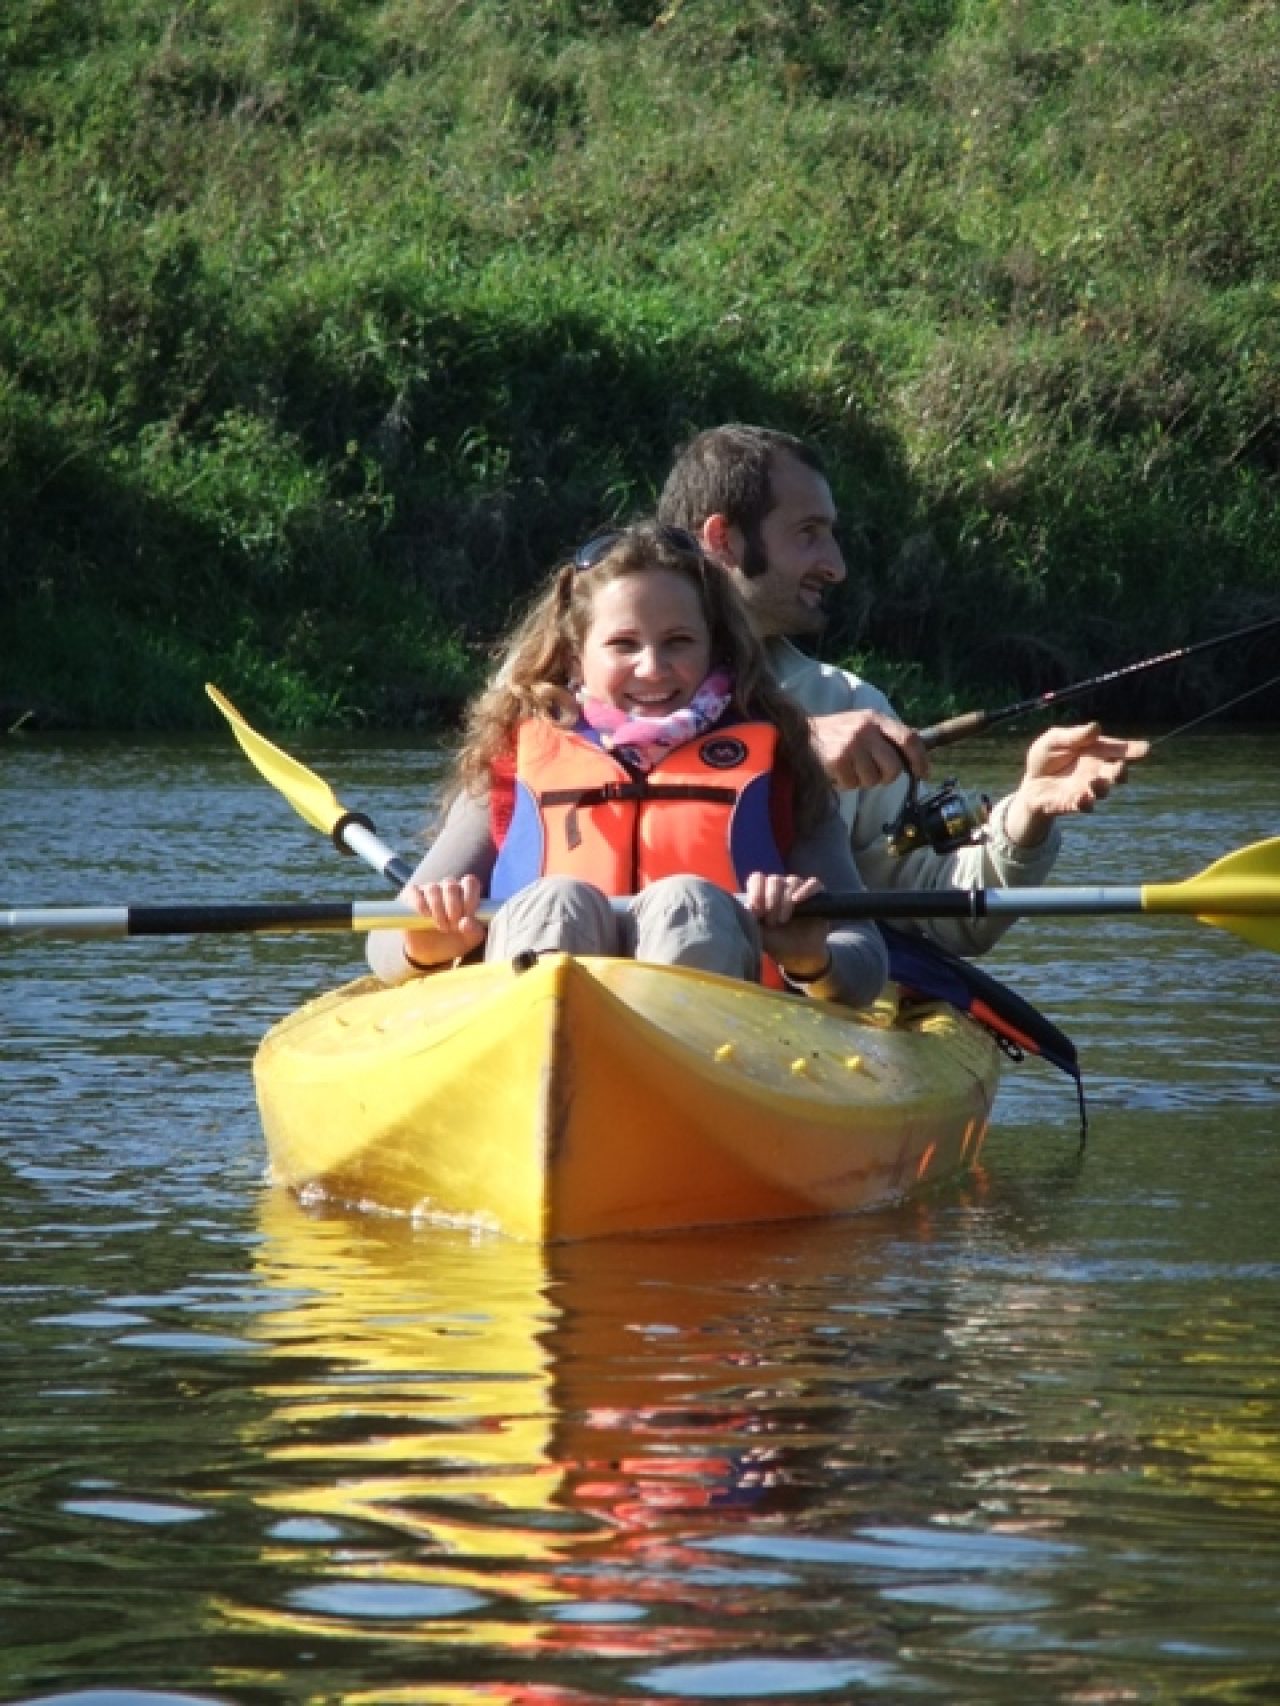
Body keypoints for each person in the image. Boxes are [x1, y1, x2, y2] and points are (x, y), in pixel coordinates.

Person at [656, 423, 1150, 955]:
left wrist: (1026, 816)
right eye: (808, 533)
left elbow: (936, 909)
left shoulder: (851, 706)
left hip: (785, 997)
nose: (836, 567)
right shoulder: (595, 690)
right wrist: (792, 742)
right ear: (722, 539)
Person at [368, 522, 888, 1008]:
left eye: (678, 642)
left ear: (715, 647)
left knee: (687, 904)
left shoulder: (782, 766)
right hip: (536, 1024)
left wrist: (812, 958)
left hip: (715, 1038)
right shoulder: (512, 764)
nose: (653, 668)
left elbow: (866, 961)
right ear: (576, 656)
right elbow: (383, 945)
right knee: (556, 903)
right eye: (624, 644)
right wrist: (424, 942)